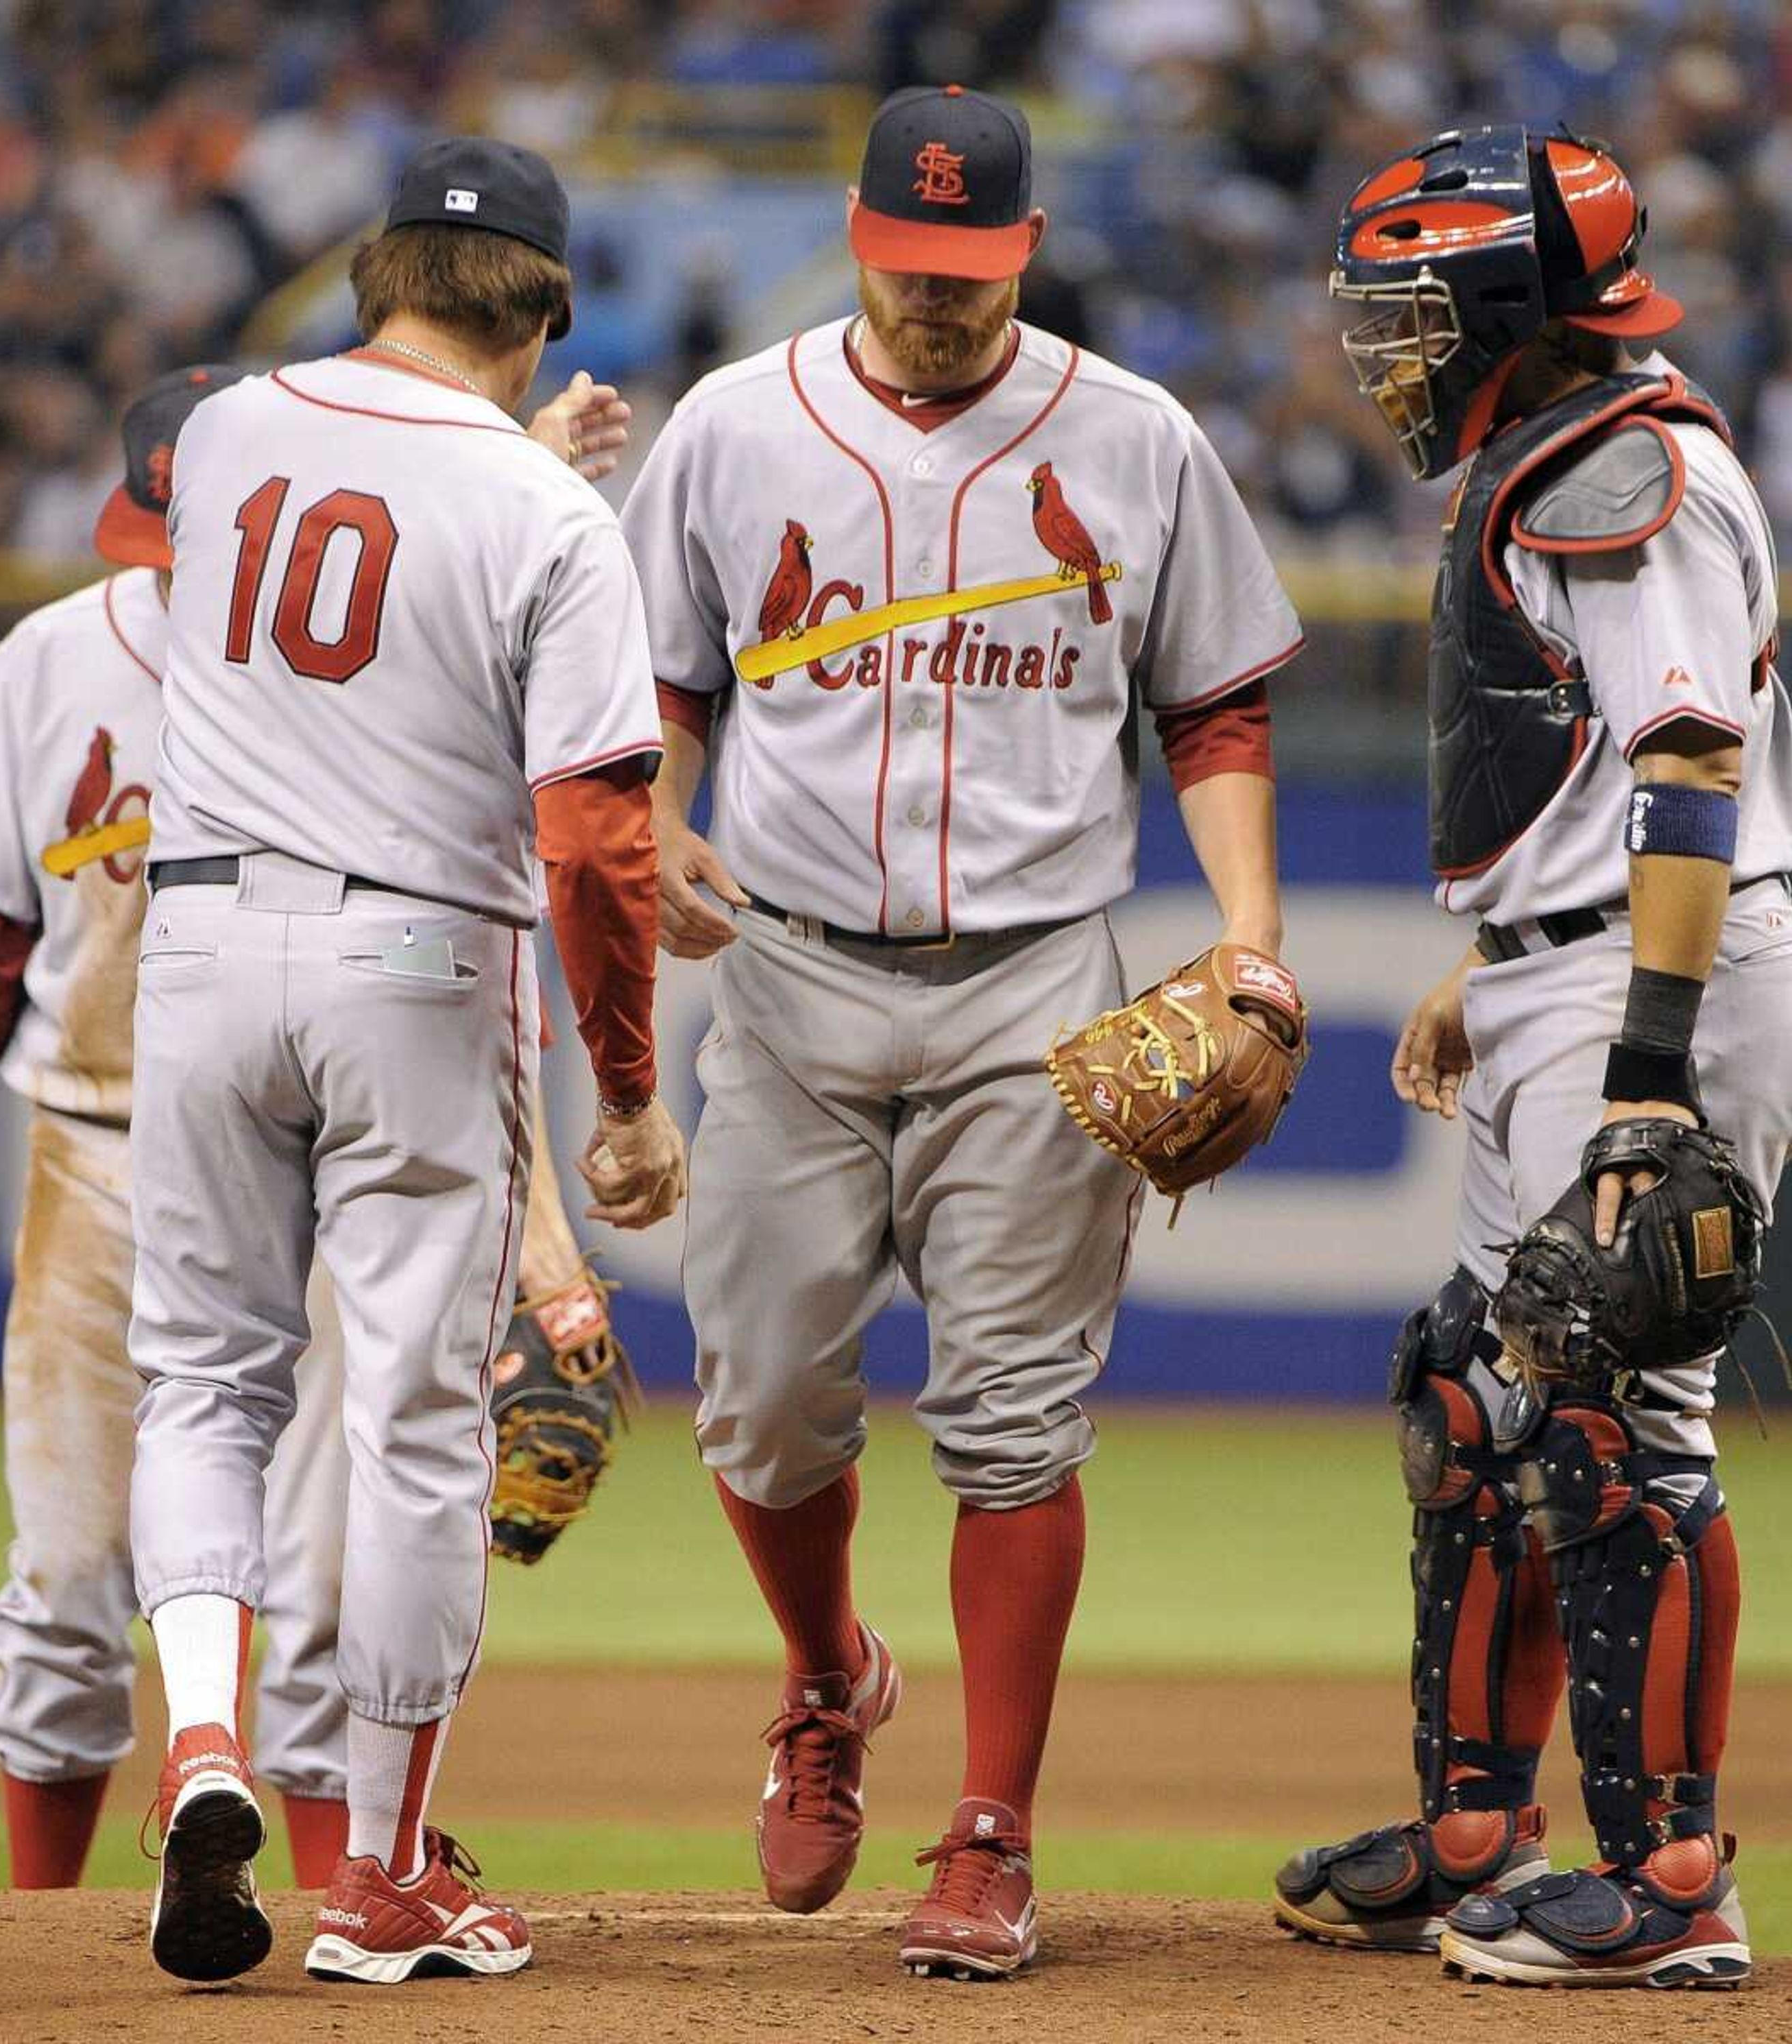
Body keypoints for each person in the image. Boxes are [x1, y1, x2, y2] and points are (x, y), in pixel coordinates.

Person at [617, 84, 1303, 1982]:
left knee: (1011, 1416)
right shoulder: (735, 431)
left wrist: (1247, 935)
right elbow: (661, 690)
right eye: (914, 267)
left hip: (1033, 974)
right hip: (791, 963)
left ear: (1027, 250)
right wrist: (662, 821)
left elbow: (1220, 709)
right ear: (855, 237)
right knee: (756, 1396)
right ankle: (829, 1678)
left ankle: (992, 1828)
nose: (941, 301)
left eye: (976, 270)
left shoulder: (1135, 435)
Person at [0, 355, 639, 1895]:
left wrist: (544, 1248)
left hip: (328, 1137)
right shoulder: (52, 661)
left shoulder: (374, 662)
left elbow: (493, 949)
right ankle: (56, 1927)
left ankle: (319, 1875)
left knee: (322, 1578)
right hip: (97, 1146)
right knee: (66, 1588)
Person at [1272, 125, 1792, 1990]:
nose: (1385, 349)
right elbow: (1604, 770)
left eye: (1414, 313)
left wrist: (1643, 1069)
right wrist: (1494, 951)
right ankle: (1469, 1828)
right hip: (1572, 967)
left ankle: (1672, 1875)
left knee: (1608, 1417)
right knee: (1476, 1395)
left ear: (1511, 309)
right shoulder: (1564, 450)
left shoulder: (1631, 474)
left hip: (1660, 986)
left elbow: (1686, 764)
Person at [120, 138, 683, 1988]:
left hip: (197, 942)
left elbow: (362, 529)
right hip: (410, 957)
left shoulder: (222, 439)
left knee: (205, 1381)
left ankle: (202, 1733)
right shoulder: (547, 518)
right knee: (415, 1423)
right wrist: (624, 1089)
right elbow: (602, 840)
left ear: (373, 275)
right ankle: (377, 1871)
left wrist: (528, 477)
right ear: (545, 313)